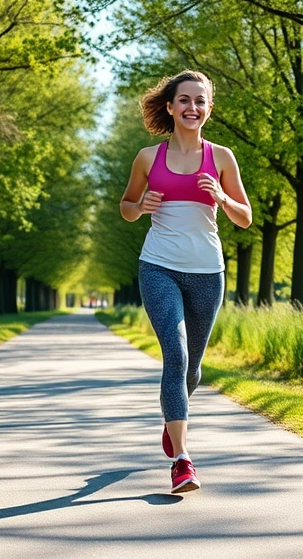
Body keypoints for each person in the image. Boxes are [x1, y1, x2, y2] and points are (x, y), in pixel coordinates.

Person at [120, 70, 252, 494]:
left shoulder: (222, 157)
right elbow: (125, 207)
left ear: (209, 109)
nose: (192, 107)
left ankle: (171, 421)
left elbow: (245, 219)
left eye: (200, 101)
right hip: (157, 266)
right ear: (170, 107)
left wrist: (223, 196)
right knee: (174, 356)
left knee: (192, 368)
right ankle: (182, 460)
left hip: (207, 273)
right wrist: (140, 206)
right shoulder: (147, 157)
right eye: (184, 100)